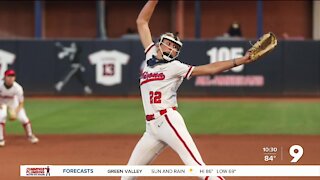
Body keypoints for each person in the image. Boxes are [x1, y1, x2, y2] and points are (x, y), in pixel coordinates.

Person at [123, 1, 253, 180]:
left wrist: (240, 60)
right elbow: (141, 22)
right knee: (128, 175)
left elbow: (210, 68)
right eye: (170, 44)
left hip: (168, 120)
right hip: (151, 128)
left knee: (198, 168)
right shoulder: (150, 54)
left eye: (176, 47)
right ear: (160, 44)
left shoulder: (175, 66)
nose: (173, 48)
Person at [0, 69, 39, 147]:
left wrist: (16, 111)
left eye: (12, 76)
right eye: (9, 76)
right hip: (1, 102)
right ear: (5, 77)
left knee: (24, 118)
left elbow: (21, 102)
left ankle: (30, 136)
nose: (11, 78)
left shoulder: (18, 88)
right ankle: (1, 139)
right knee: (1, 117)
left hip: (14, 103)